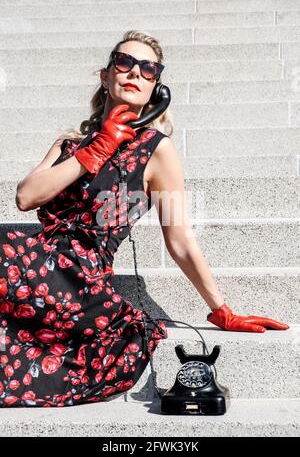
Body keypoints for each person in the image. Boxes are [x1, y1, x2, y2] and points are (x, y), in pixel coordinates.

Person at [0, 31, 289, 408]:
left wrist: (221, 310)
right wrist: (97, 149)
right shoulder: (70, 144)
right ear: (106, 77)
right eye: (124, 62)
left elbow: (180, 240)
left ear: (156, 87)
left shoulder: (156, 151)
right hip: (36, 267)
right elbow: (26, 197)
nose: (135, 72)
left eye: (148, 68)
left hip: (82, 280)